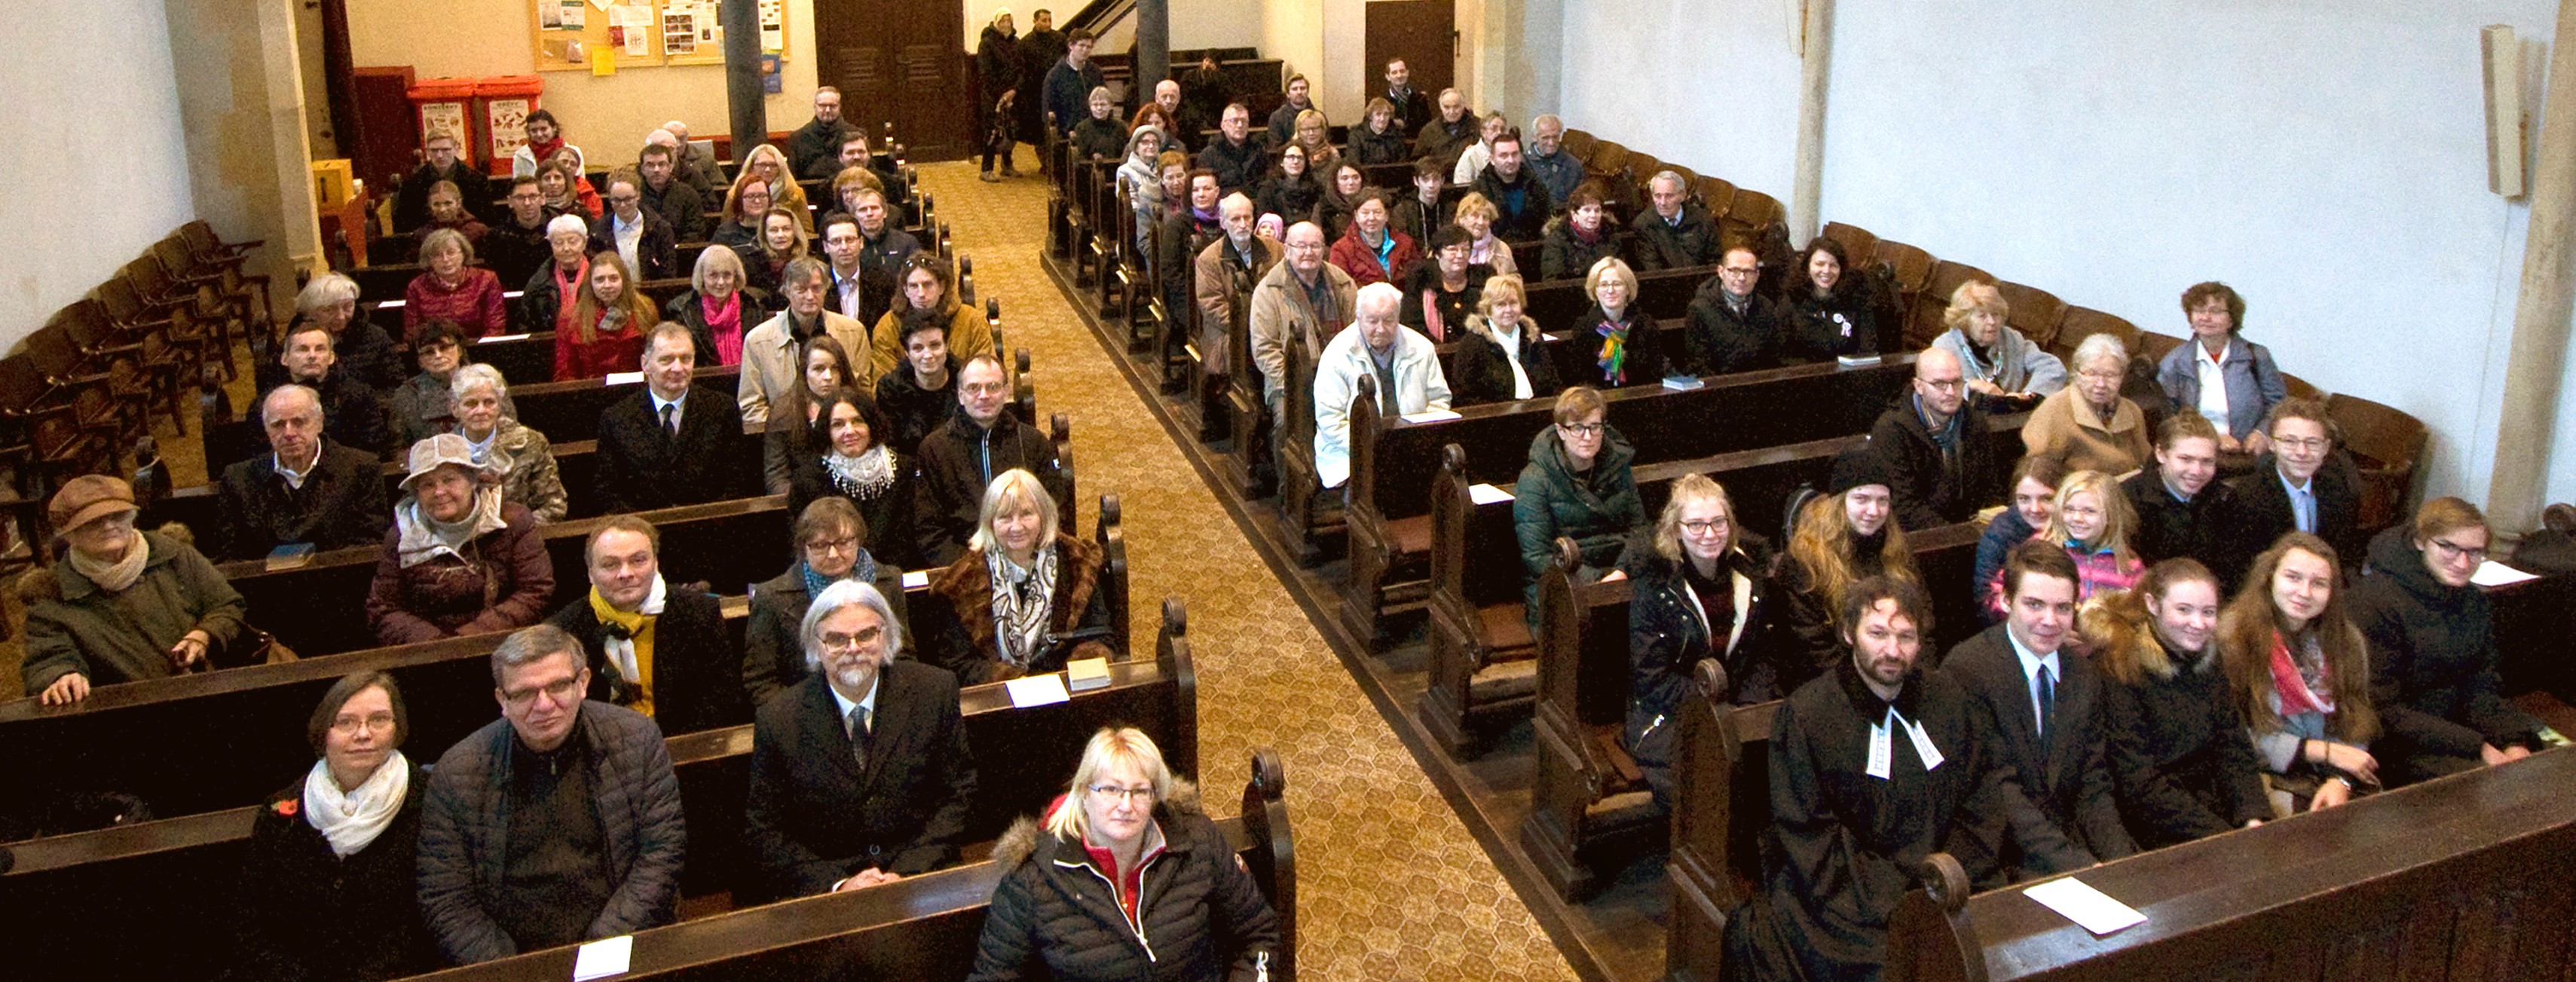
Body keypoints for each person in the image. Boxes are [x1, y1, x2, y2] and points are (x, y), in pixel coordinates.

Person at [1731, 576, 1996, 982]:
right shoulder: (1807, 716)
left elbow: (1981, 801)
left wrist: (1947, 879)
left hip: (1953, 885)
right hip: (1849, 901)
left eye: (1906, 636)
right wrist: (1903, 894)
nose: (1893, 651)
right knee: (1903, 968)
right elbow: (1810, 833)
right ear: (1848, 633)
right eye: (1878, 633)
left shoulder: (1949, 699)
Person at [415, 624, 686, 963]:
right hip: (511, 959)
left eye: (558, 686)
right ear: (502, 700)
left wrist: (599, 955)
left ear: (583, 683)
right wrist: (509, 968)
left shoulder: (637, 739)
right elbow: (446, 896)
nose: (544, 705)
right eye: (525, 693)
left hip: (620, 938)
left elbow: (661, 854)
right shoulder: (458, 771)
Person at [968, 727, 1282, 981]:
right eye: (1111, 789)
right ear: (1084, 793)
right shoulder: (1033, 880)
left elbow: (1259, 933)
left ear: (1155, 797)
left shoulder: (1198, 842)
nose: (1126, 805)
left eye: (1140, 791)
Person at [744, 577, 977, 901]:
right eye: (837, 639)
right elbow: (765, 829)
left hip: (923, 875)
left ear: (887, 636)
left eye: (866, 635)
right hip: (829, 894)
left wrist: (906, 873)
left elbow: (958, 794)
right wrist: (839, 884)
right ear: (816, 646)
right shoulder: (779, 718)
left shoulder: (934, 691)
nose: (853, 649)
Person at [1941, 540, 2136, 886]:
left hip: (2066, 843)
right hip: (1997, 854)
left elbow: (2093, 784)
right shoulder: (1967, 670)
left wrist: (2121, 863)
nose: (2050, 621)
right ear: (2006, 601)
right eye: (2035, 605)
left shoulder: (2082, 674)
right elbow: (1999, 791)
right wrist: (2078, 865)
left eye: (2063, 608)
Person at [232, 672, 439, 980]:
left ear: (398, 728)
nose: (363, 734)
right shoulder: (281, 811)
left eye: (379, 720)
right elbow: (251, 921)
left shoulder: (430, 799)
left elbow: (432, 915)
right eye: (346, 722)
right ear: (323, 732)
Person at [2349, 497, 2544, 785]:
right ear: (2420, 541)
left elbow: (2481, 685)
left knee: (2538, 763)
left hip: (2456, 727)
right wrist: (2478, 747)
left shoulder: (2473, 601)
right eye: (2449, 547)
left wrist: (2512, 741)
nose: (2463, 563)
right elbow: (2383, 710)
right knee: (2486, 785)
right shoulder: (2373, 602)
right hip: (2396, 742)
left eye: (2475, 552)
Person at [2082, 558, 2271, 848]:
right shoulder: (2119, 665)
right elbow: (2138, 783)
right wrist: (2221, 836)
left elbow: (2232, 745)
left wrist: (2252, 816)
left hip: (2212, 809)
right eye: (2184, 610)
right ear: (2153, 605)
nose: (2198, 624)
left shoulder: (2209, 658)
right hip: (2151, 823)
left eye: (2208, 612)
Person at [22, 476, 246, 704]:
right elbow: (47, 658)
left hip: (203, 694)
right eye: (93, 521)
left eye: (117, 515)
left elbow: (227, 605)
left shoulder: (173, 555)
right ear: (70, 534)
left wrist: (204, 635)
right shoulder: (52, 594)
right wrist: (62, 675)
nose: (109, 526)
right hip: (125, 710)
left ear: (132, 518)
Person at [1620, 475, 1774, 800]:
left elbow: (1762, 657)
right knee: (1707, 772)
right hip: (1671, 716)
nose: (1709, 534)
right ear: (1676, 530)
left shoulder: (1749, 577)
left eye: (1718, 522)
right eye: (1696, 525)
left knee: (1778, 761)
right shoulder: (1655, 588)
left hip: (1736, 706)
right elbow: (1652, 680)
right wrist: (1716, 706)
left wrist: (1747, 708)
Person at [2218, 532, 2379, 813]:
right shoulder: (2234, 639)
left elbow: (2357, 718)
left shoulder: (2347, 641)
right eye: (2293, 578)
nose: (2304, 593)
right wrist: (2321, 751)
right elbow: (2229, 739)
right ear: (2270, 578)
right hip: (2265, 774)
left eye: (2319, 584)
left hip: (2334, 773)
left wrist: (2341, 780)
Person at [547, 516, 747, 735]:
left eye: (638, 560)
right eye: (611, 564)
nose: (625, 573)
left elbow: (721, 698)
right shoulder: (563, 631)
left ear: (656, 563)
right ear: (590, 573)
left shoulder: (698, 613)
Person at [920, 468, 1116, 683]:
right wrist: (1014, 682)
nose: (1017, 527)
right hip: (1001, 697)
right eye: (1005, 517)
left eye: (1026, 514)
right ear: (990, 523)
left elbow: (1100, 636)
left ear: (1043, 515)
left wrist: (1072, 677)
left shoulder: (1078, 561)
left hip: (1069, 689)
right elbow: (960, 664)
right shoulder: (962, 582)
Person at [364, 435, 553, 647]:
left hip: (506, 644)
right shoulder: (402, 536)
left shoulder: (513, 521)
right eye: (427, 485)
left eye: (449, 480)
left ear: (473, 481)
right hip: (429, 651)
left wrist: (472, 636)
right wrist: (438, 643)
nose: (439, 492)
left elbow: (534, 589)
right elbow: (384, 609)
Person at [1774, 446, 1920, 693]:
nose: (1873, 511)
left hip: (1895, 675)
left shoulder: (1896, 551)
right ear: (1840, 503)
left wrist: (1914, 680)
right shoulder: (1804, 560)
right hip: (1832, 687)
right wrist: (1870, 688)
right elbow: (1812, 648)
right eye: (1862, 499)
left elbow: (1921, 621)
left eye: (1882, 500)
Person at [742, 497, 907, 705]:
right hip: (805, 711)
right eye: (820, 545)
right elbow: (761, 681)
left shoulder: (888, 582)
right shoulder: (772, 598)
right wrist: (804, 715)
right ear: (804, 547)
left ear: (858, 540)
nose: (833, 554)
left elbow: (902, 656)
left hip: (879, 705)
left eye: (843, 542)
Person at [914, 356, 1069, 567]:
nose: (983, 395)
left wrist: (1026, 560)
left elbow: (1054, 512)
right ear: (960, 395)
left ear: (1006, 392)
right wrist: (975, 569)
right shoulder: (934, 449)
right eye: (974, 388)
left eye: (993, 387)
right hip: (964, 567)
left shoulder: (1033, 443)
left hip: (1029, 560)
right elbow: (929, 531)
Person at [217, 384, 391, 561]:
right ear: (266, 429)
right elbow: (232, 555)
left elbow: (370, 542)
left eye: (299, 422)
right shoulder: (239, 480)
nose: (289, 433)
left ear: (319, 422)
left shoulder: (360, 469)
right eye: (278, 425)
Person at [1513, 384, 1644, 614]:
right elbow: (1538, 557)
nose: (1588, 437)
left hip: (1621, 573)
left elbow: (1640, 529)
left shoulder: (1618, 467)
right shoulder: (1535, 480)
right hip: (1565, 581)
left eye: (1595, 427)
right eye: (1577, 428)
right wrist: (1598, 580)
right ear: (1561, 431)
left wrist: (1622, 571)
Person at [595, 324, 754, 512]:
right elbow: (608, 490)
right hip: (641, 524)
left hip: (709, 522)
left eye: (686, 359)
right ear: (645, 364)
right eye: (667, 360)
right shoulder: (617, 418)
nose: (678, 368)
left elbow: (737, 480)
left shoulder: (722, 409)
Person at [1314, 283, 1450, 489]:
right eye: (1372, 321)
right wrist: (1373, 449)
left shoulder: (1422, 348)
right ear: (1358, 319)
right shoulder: (1337, 355)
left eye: (1388, 320)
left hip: (1413, 447)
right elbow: (1330, 422)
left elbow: (1439, 400)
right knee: (1378, 489)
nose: (1381, 329)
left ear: (1398, 317)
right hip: (1351, 453)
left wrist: (1420, 439)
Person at [2216, 397, 2363, 583]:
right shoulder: (2248, 498)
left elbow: (2343, 558)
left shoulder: (2338, 490)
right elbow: (2240, 572)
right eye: (2290, 441)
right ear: (2272, 444)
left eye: (2312, 442)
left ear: (2326, 447)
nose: (2302, 452)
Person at [1870, 347, 1999, 531]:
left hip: (1970, 528)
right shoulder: (1892, 430)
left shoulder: (1974, 422)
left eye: (1957, 382)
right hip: (1918, 535)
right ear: (1919, 386)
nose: (1951, 392)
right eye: (1940, 384)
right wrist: (1954, 535)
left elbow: (1989, 489)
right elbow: (1903, 505)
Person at [2156, 281, 2287, 460]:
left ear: (2231, 319)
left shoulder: (2256, 356)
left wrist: (2262, 433)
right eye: (2199, 311)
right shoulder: (2175, 361)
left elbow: (2278, 404)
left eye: (2216, 311)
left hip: (2250, 456)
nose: (2206, 317)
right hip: (2196, 455)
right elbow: (2167, 414)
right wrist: (2212, 438)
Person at [1248, 222, 1358, 431]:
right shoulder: (1269, 290)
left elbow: (1357, 333)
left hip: (1341, 376)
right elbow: (1265, 349)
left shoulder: (1342, 283)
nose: (1309, 252)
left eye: (1315, 246)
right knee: (1288, 421)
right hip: (1288, 382)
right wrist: (1299, 384)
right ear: (1287, 250)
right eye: (1301, 246)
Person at [741, 257, 874, 427]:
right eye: (801, 290)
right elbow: (752, 408)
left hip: (843, 432)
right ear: (787, 291)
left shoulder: (854, 331)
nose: (810, 296)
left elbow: (863, 394)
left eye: (816, 288)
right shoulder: (757, 341)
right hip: (784, 435)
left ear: (826, 290)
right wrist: (786, 431)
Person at [788, 389, 916, 565]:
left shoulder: (904, 470)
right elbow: (805, 544)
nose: (849, 431)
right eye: (838, 424)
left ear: (871, 424)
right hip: (834, 571)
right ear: (827, 431)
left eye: (858, 421)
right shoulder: (808, 479)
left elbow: (911, 537)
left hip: (899, 571)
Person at [1193, 191, 1281, 428]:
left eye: (1247, 218)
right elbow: (1213, 308)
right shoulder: (1210, 259)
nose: (1243, 224)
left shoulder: (1275, 250)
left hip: (1271, 330)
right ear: (1223, 223)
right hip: (1230, 334)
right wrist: (1254, 328)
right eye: (1235, 219)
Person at [446, 364, 567, 523]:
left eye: (489, 402)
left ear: (499, 406)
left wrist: (520, 531)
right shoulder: (442, 450)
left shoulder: (531, 443)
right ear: (455, 408)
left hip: (518, 533)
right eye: (471, 404)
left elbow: (553, 505)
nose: (481, 410)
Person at [2024, 334, 2152, 476]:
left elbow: (2147, 461)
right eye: (2092, 374)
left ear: (2122, 376)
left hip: (2130, 486)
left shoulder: (2132, 411)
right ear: (2077, 374)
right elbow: (2038, 471)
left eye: (2110, 375)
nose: (2101, 384)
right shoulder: (2055, 408)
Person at [1930, 280, 2065, 413]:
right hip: (1964, 416)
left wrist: (2029, 395)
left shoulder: (2011, 339)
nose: (1992, 322)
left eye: (1995, 314)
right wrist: (1970, 386)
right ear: (1965, 320)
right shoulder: (1945, 347)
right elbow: (1937, 387)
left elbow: (2052, 367)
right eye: (1982, 316)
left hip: (2010, 416)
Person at [2124, 411, 2232, 570]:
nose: (2196, 471)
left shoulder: (2225, 500)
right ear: (2160, 454)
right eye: (2186, 459)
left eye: (2207, 461)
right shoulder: (2127, 500)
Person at [269, 320, 393, 456]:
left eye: (320, 349)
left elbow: (372, 448)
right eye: (303, 349)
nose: (312, 356)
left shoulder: (357, 396)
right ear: (285, 359)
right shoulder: (268, 403)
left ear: (331, 357)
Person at [390, 321, 513, 449]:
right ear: (420, 361)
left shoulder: (489, 380)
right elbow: (400, 446)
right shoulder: (407, 394)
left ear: (459, 350)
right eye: (429, 352)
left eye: (444, 348)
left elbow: (508, 428)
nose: (438, 355)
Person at [873, 251, 996, 380]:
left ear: (941, 287)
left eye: (927, 285)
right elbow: (884, 381)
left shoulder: (972, 321)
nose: (921, 294)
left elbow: (986, 374)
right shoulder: (888, 326)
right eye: (913, 286)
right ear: (906, 290)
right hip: (904, 391)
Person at [1974, 454, 2065, 625]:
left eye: (2047, 498)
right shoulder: (2002, 531)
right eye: (2024, 499)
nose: (2035, 509)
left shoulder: (2077, 530)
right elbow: (1985, 596)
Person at [761, 335, 857, 494]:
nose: (828, 377)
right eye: (819, 369)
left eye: (835, 369)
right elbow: (777, 476)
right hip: (803, 497)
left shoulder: (859, 406)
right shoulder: (784, 411)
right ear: (805, 372)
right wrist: (801, 498)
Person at [281, 272, 405, 392]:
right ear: (310, 313)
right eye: (329, 310)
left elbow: (395, 384)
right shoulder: (295, 339)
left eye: (348, 307)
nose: (341, 317)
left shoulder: (375, 337)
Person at [1451, 273, 1559, 405]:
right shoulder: (1473, 343)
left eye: (1513, 303)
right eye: (1501, 305)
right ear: (1489, 310)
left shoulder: (1532, 338)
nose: (1508, 310)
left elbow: (1551, 381)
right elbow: (1464, 395)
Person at [666, 243, 778, 369]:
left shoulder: (755, 306)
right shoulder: (682, 310)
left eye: (727, 275)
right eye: (713, 275)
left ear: (736, 276)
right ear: (702, 277)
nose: (720, 282)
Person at [552, 251, 655, 381]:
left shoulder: (645, 309)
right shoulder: (571, 317)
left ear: (624, 280)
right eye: (600, 280)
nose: (607, 285)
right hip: (590, 389)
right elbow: (565, 370)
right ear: (590, 283)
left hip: (636, 387)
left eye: (614, 279)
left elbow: (653, 360)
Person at [1682, 245, 1782, 376]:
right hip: (1719, 383)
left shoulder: (1766, 307)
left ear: (1757, 275)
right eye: (1734, 271)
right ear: (1721, 272)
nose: (1742, 278)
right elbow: (1698, 363)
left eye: (1748, 271)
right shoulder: (1700, 309)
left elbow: (1774, 357)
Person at [1782, 237, 1883, 363]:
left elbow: (1868, 348)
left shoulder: (1857, 299)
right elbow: (1783, 353)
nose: (1826, 271)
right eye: (1820, 264)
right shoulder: (1792, 300)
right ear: (1807, 266)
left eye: (1833, 265)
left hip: (1847, 372)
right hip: (1804, 372)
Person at [877, 310, 960, 457]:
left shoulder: (965, 382)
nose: (928, 355)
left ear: (947, 347)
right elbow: (890, 447)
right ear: (907, 353)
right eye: (918, 348)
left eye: (935, 345)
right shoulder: (890, 390)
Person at [1572, 256, 1665, 387]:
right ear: (1595, 290)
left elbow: (1655, 373)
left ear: (1628, 289)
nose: (1610, 291)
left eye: (1617, 284)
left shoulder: (1645, 325)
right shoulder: (1584, 327)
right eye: (1604, 285)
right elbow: (1582, 378)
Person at [405, 228, 508, 339]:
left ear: (463, 254)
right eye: (437, 255)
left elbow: (496, 324)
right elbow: (413, 332)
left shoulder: (486, 279)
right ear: (429, 260)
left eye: (451, 253)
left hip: (478, 346)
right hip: (436, 347)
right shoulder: (417, 287)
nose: (445, 259)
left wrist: (480, 347)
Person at [1397, 225, 1490, 340]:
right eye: (1452, 250)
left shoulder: (1483, 280)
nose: (1460, 255)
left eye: (1465, 250)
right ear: (1437, 254)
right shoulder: (1420, 281)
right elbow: (1411, 326)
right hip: (1432, 348)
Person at [587, 170, 680, 283]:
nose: (623, 205)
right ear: (610, 199)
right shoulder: (599, 231)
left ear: (638, 196)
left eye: (628, 199)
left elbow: (668, 272)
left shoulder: (659, 228)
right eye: (616, 200)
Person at [395, 130, 496, 232]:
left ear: (457, 148)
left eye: (445, 149)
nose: (440, 156)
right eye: (434, 150)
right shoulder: (412, 184)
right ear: (427, 151)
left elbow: (487, 221)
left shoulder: (477, 181)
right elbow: (405, 225)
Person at [516, 214, 592, 337]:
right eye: (559, 243)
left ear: (585, 242)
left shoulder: (600, 274)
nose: (566, 248)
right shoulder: (539, 282)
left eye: (573, 242)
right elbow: (525, 324)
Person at [1470, 127, 1550, 240]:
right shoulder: (1479, 189)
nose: (1511, 160)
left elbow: (1545, 220)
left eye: (1515, 154)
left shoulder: (1535, 184)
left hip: (1533, 246)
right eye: (1504, 156)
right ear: (1492, 159)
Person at [1328, 192, 1421, 288]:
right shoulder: (1341, 249)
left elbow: (1418, 281)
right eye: (1365, 213)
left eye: (1377, 212)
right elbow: (1340, 288)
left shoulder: (1405, 243)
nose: (1372, 218)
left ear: (1387, 215)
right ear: (1356, 216)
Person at [1540, 182, 1626, 281]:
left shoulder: (1610, 235)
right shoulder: (1557, 240)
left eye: (1597, 210)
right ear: (1574, 214)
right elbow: (1553, 279)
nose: (1593, 215)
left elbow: (1621, 273)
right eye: (1587, 210)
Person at [482, 177, 556, 288]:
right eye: (520, 198)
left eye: (533, 196)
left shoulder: (558, 231)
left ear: (542, 199)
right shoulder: (497, 237)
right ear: (510, 201)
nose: (527, 203)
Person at [976, 10, 1024, 181]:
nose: (1005, 25)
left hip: (1012, 95)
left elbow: (1022, 69)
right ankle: (986, 169)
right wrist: (1001, 94)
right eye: (1002, 21)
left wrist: (1014, 90)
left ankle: (1007, 164)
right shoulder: (987, 43)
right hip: (993, 96)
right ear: (996, 23)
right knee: (992, 132)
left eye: (1008, 21)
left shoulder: (1017, 43)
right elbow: (986, 73)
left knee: (1011, 131)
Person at [846, 185, 922, 288]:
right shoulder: (850, 246)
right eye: (863, 210)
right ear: (854, 216)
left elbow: (917, 278)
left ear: (885, 212)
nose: (869, 214)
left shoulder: (907, 242)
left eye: (874, 208)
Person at [634, 141, 705, 242]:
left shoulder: (688, 195)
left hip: (681, 248)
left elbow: (695, 232)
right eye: (650, 165)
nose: (656, 170)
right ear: (642, 169)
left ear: (670, 167)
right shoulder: (634, 196)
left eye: (662, 164)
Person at [1042, 29, 1106, 138]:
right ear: (1071, 46)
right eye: (1081, 46)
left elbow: (1105, 98)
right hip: (1068, 133)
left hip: (1096, 131)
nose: (1085, 50)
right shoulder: (1056, 75)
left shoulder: (1094, 71)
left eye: (1089, 47)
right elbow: (1048, 109)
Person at [739, 143, 814, 236]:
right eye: (762, 165)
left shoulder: (794, 194)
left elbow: (807, 231)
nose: (767, 169)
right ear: (751, 167)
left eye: (773, 165)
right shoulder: (736, 194)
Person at [739, 205, 813, 297]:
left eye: (786, 229)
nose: (780, 235)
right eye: (774, 230)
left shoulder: (810, 264)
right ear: (764, 234)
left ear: (795, 232)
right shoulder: (749, 265)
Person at [1195, 102, 1269, 194]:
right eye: (1234, 121)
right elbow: (1205, 188)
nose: (1240, 125)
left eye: (1244, 121)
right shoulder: (1208, 155)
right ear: (1223, 126)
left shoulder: (1259, 150)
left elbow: (1266, 182)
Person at [1016, 8, 1068, 138]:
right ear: (1035, 21)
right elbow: (1022, 69)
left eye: (1050, 20)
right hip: (1035, 92)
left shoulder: (1060, 39)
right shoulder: (1025, 43)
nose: (1048, 24)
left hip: (1057, 89)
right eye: (1044, 20)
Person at [789, 87, 858, 181]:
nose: (828, 110)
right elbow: (792, 177)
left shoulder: (857, 135)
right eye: (823, 106)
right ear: (815, 107)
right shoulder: (798, 138)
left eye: (832, 106)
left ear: (839, 107)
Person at [1254, 142, 1322, 228]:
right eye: (1291, 157)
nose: (1296, 161)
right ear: (1281, 162)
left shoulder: (1315, 188)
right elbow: (1265, 222)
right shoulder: (1267, 189)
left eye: (1300, 158)